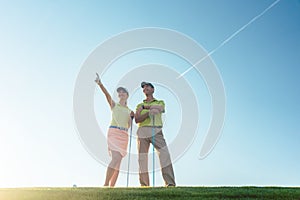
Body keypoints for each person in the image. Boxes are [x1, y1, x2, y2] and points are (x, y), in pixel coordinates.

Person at [95, 73, 134, 187]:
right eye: (119, 92)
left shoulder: (129, 111)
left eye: (123, 92)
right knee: (115, 158)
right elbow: (106, 95)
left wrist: (132, 117)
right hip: (114, 133)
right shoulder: (114, 105)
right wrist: (100, 84)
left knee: (118, 164)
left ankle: (112, 187)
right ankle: (106, 184)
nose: (121, 93)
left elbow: (129, 126)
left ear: (127, 95)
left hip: (124, 135)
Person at [135, 81, 176, 187]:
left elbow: (160, 109)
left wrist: (145, 108)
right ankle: (144, 185)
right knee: (142, 158)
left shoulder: (160, 102)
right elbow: (137, 119)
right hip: (142, 130)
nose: (145, 88)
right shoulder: (139, 105)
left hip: (156, 130)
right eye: (143, 87)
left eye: (148, 86)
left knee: (164, 154)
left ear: (153, 89)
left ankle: (170, 183)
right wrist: (149, 112)